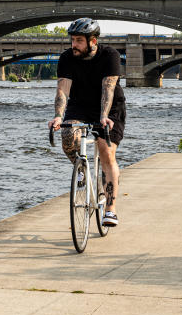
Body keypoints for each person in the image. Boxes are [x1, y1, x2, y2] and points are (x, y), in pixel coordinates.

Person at [48, 18, 126, 226]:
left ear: (93, 41)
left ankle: (110, 209)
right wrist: (58, 116)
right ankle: (81, 169)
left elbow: (108, 89)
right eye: (72, 40)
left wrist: (103, 116)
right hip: (80, 105)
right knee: (67, 136)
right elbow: (63, 90)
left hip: (110, 107)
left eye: (79, 40)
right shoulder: (67, 58)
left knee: (106, 151)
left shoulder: (109, 55)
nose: (74, 45)